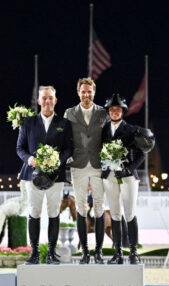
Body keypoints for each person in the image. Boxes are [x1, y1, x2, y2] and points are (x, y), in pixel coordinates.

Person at [17, 85, 73, 265]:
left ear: (55, 100)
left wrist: (57, 160)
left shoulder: (64, 124)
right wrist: (30, 159)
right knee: (34, 212)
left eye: (51, 98)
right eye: (44, 98)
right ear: (39, 101)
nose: (47, 101)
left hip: (56, 176)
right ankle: (34, 253)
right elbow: (20, 148)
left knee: (54, 212)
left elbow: (69, 149)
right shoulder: (28, 122)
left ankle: (51, 253)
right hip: (32, 175)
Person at [64, 77, 108, 264]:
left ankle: (98, 252)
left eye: (89, 91)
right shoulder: (69, 113)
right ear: (78, 92)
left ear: (94, 92)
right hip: (78, 165)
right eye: (83, 91)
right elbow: (65, 138)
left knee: (99, 207)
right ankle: (85, 252)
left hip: (99, 165)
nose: (86, 94)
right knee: (81, 208)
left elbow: (109, 137)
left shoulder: (103, 112)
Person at [101, 94, 146, 264]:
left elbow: (141, 154)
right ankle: (118, 252)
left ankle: (133, 252)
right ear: (109, 111)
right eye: (112, 109)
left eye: (117, 109)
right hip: (109, 176)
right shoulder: (103, 130)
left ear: (122, 111)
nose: (114, 112)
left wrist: (129, 168)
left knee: (130, 212)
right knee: (115, 214)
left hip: (127, 176)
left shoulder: (131, 130)